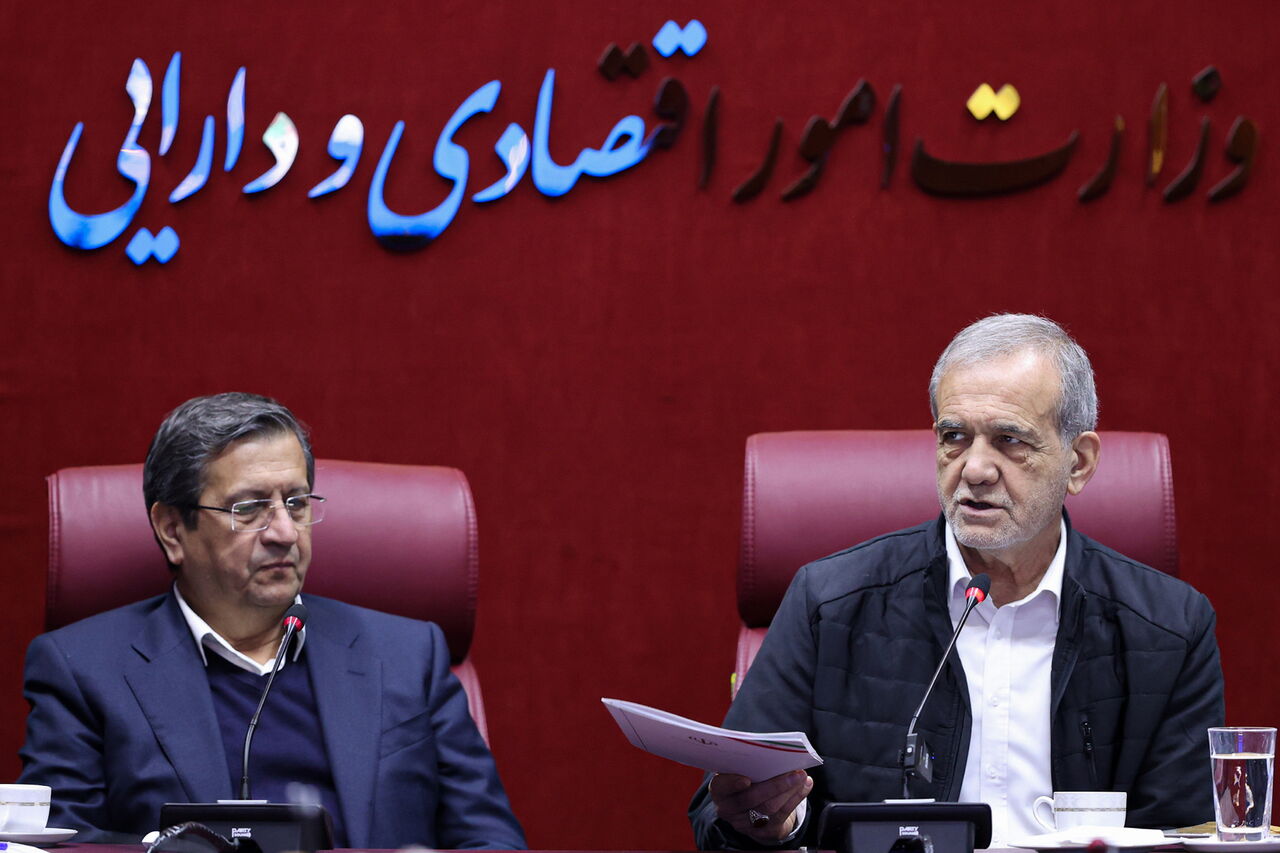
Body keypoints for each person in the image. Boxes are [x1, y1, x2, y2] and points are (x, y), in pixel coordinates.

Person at [689, 314, 1225, 848]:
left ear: (1078, 463)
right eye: (955, 437)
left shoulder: (1170, 629)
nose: (974, 469)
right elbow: (723, 809)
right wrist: (770, 822)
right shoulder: (828, 603)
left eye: (1009, 440)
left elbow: (1185, 832)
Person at [18, 393, 526, 849]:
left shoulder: (408, 656)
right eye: (250, 508)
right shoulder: (83, 670)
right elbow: (62, 847)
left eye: (297, 503)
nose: (284, 531)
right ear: (172, 529)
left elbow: (492, 841)